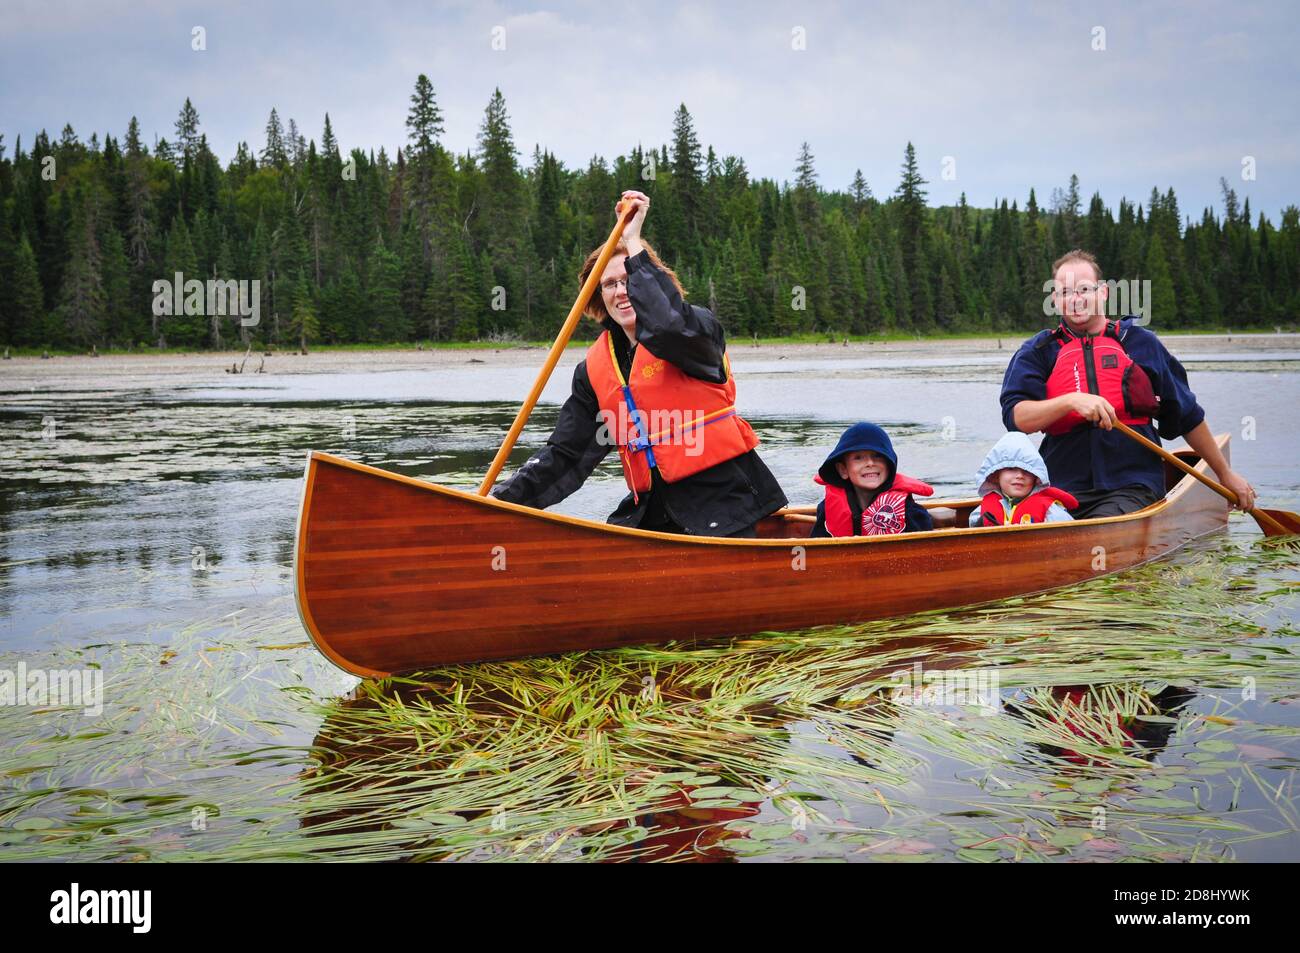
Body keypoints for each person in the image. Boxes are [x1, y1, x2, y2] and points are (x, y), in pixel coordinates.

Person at [491, 190, 787, 537]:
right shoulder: (594, 372)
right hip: (652, 509)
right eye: (609, 284)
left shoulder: (697, 331)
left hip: (726, 504)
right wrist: (498, 502)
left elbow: (666, 325)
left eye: (629, 278)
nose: (621, 291)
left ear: (650, 278)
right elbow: (566, 455)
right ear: (598, 298)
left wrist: (633, 242)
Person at [999, 248, 1256, 519]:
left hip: (1132, 485)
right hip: (1060, 489)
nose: (1075, 299)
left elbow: (1188, 416)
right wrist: (1071, 401)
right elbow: (1017, 418)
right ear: (1054, 298)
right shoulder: (1038, 351)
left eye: (1084, 289)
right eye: (1065, 292)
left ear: (1103, 293)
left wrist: (1225, 474)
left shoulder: (1141, 344)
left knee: (1102, 524)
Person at [810, 422, 934, 537]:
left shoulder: (910, 512)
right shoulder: (826, 509)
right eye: (858, 457)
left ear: (889, 466)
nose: (870, 463)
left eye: (878, 456)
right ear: (843, 470)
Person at [968, 432, 1076, 527]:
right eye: (1011, 469)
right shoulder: (980, 511)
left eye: (1027, 471)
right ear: (995, 476)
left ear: (1036, 478)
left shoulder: (1051, 512)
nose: (1020, 476)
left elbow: (1070, 535)